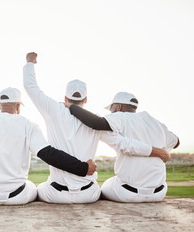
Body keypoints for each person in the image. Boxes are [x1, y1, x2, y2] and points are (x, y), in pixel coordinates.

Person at [23, 52, 169, 204]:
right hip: (88, 195)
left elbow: (30, 86)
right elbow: (124, 144)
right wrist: (154, 150)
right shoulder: (96, 120)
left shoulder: (52, 109)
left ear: (65, 98)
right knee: (103, 186)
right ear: (86, 99)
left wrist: (30, 62)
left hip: (56, 194)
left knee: (36, 188)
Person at [0, 75, 97, 205]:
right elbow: (49, 154)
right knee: (36, 188)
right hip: (19, 197)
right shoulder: (28, 124)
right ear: (19, 107)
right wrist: (82, 168)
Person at [67, 91, 179, 202]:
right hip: (159, 193)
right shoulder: (156, 123)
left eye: (111, 109)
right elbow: (176, 141)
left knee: (104, 185)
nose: (111, 113)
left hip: (127, 194)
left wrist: (71, 106)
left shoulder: (120, 117)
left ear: (119, 107)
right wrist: (160, 147)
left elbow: (97, 123)